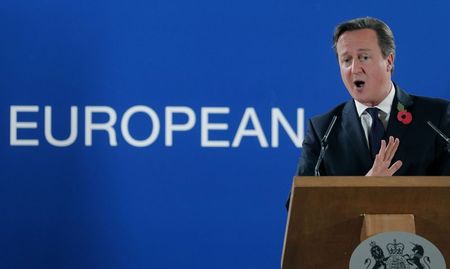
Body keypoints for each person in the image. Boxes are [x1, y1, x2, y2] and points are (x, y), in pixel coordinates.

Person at [296, 17, 450, 177]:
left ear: (389, 61)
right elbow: (301, 200)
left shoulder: (435, 118)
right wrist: (367, 186)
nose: (355, 69)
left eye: (364, 57)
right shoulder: (324, 130)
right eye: (346, 60)